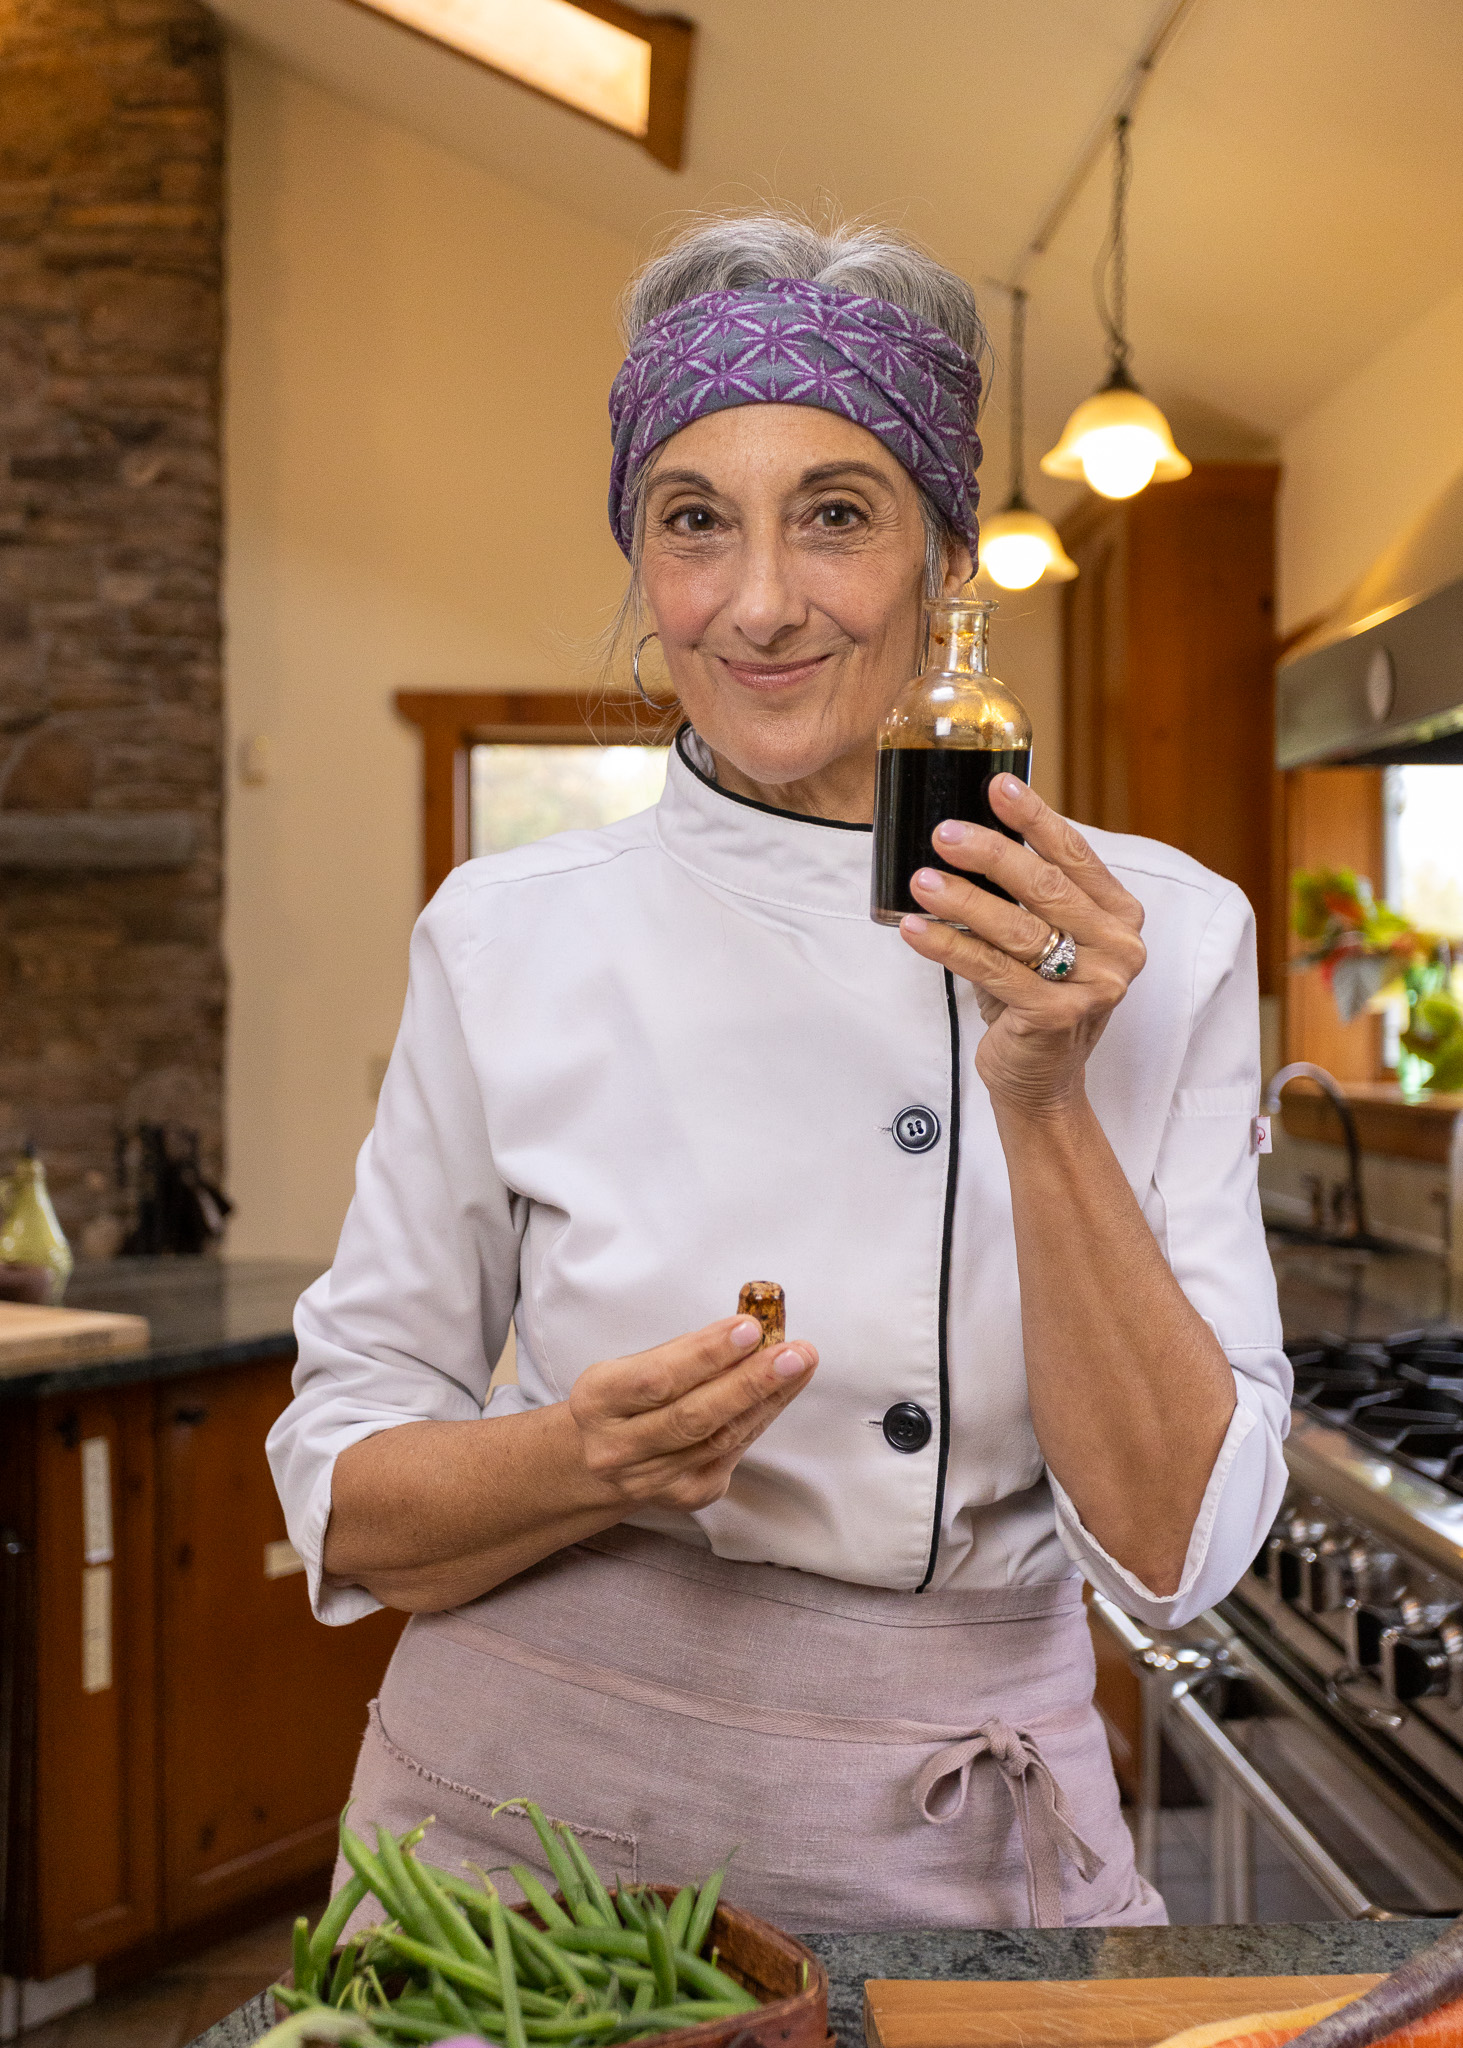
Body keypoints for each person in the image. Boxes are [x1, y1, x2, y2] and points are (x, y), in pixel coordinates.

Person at [266, 211, 1289, 1931]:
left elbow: (1184, 1557)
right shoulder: (504, 934)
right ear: (641, 567)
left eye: (835, 515)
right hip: (517, 1833)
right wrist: (581, 1462)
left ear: (946, 562)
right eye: (692, 524)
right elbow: (350, 1495)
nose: (756, 603)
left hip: (957, 1832)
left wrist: (1042, 1096)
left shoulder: (1162, 938)